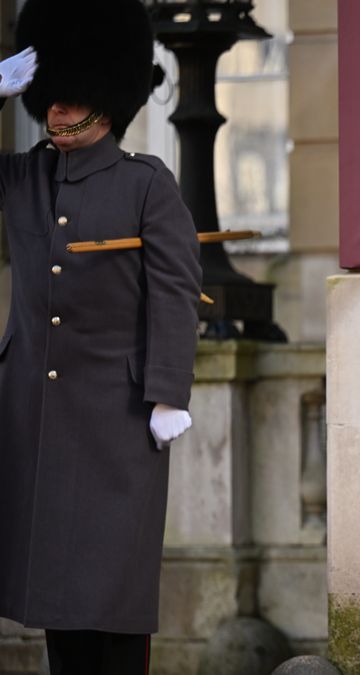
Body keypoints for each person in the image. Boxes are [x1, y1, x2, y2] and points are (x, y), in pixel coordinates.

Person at [0, 1, 201, 672]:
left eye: (72, 97)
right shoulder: (26, 178)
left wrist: (168, 392)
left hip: (117, 423)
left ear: (106, 101)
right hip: (36, 418)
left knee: (112, 601)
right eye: (49, 97)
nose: (57, 109)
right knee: (57, 603)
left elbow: (175, 292)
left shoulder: (146, 183)